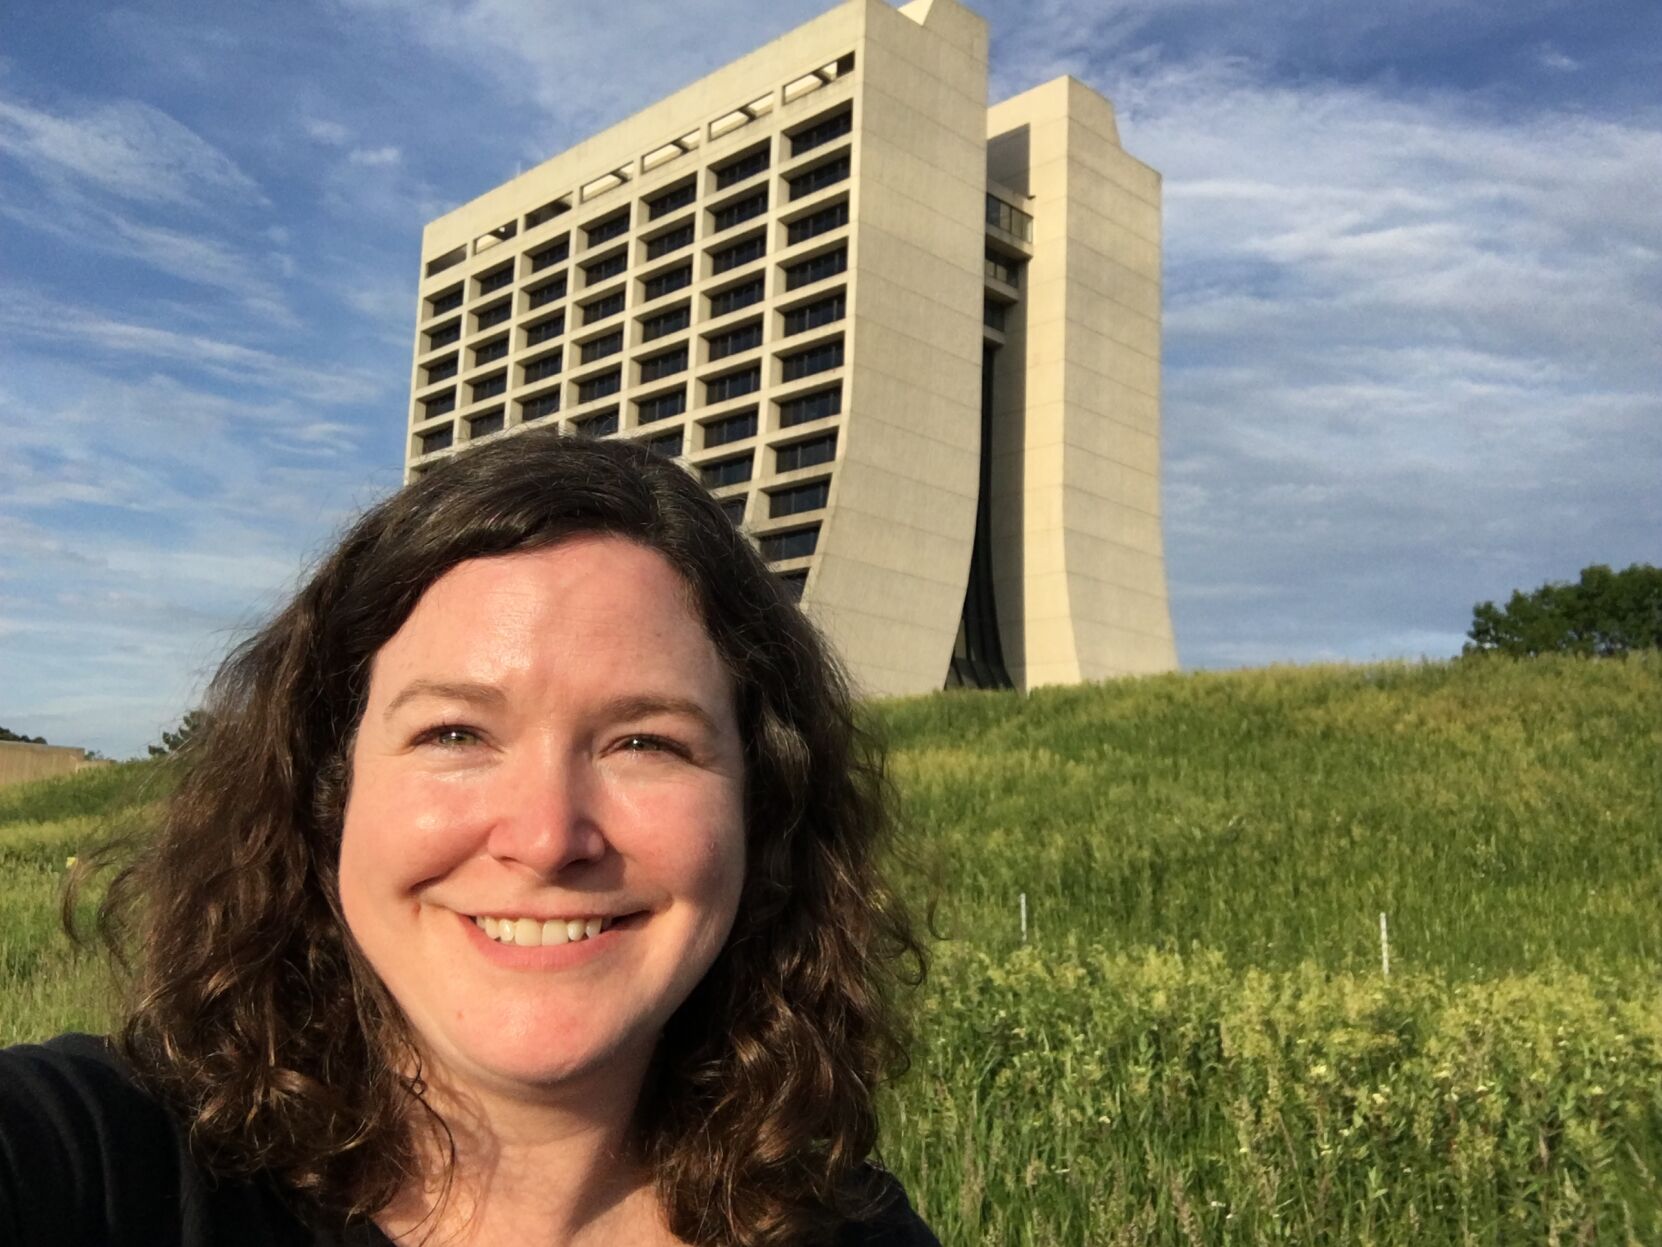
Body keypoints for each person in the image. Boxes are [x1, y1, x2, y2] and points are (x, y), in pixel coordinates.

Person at [0, 432, 936, 1247]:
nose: (544, 836)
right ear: (330, 795)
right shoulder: (98, 1166)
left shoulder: (855, 1237)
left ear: (758, 810)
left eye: (646, 741)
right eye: (455, 733)